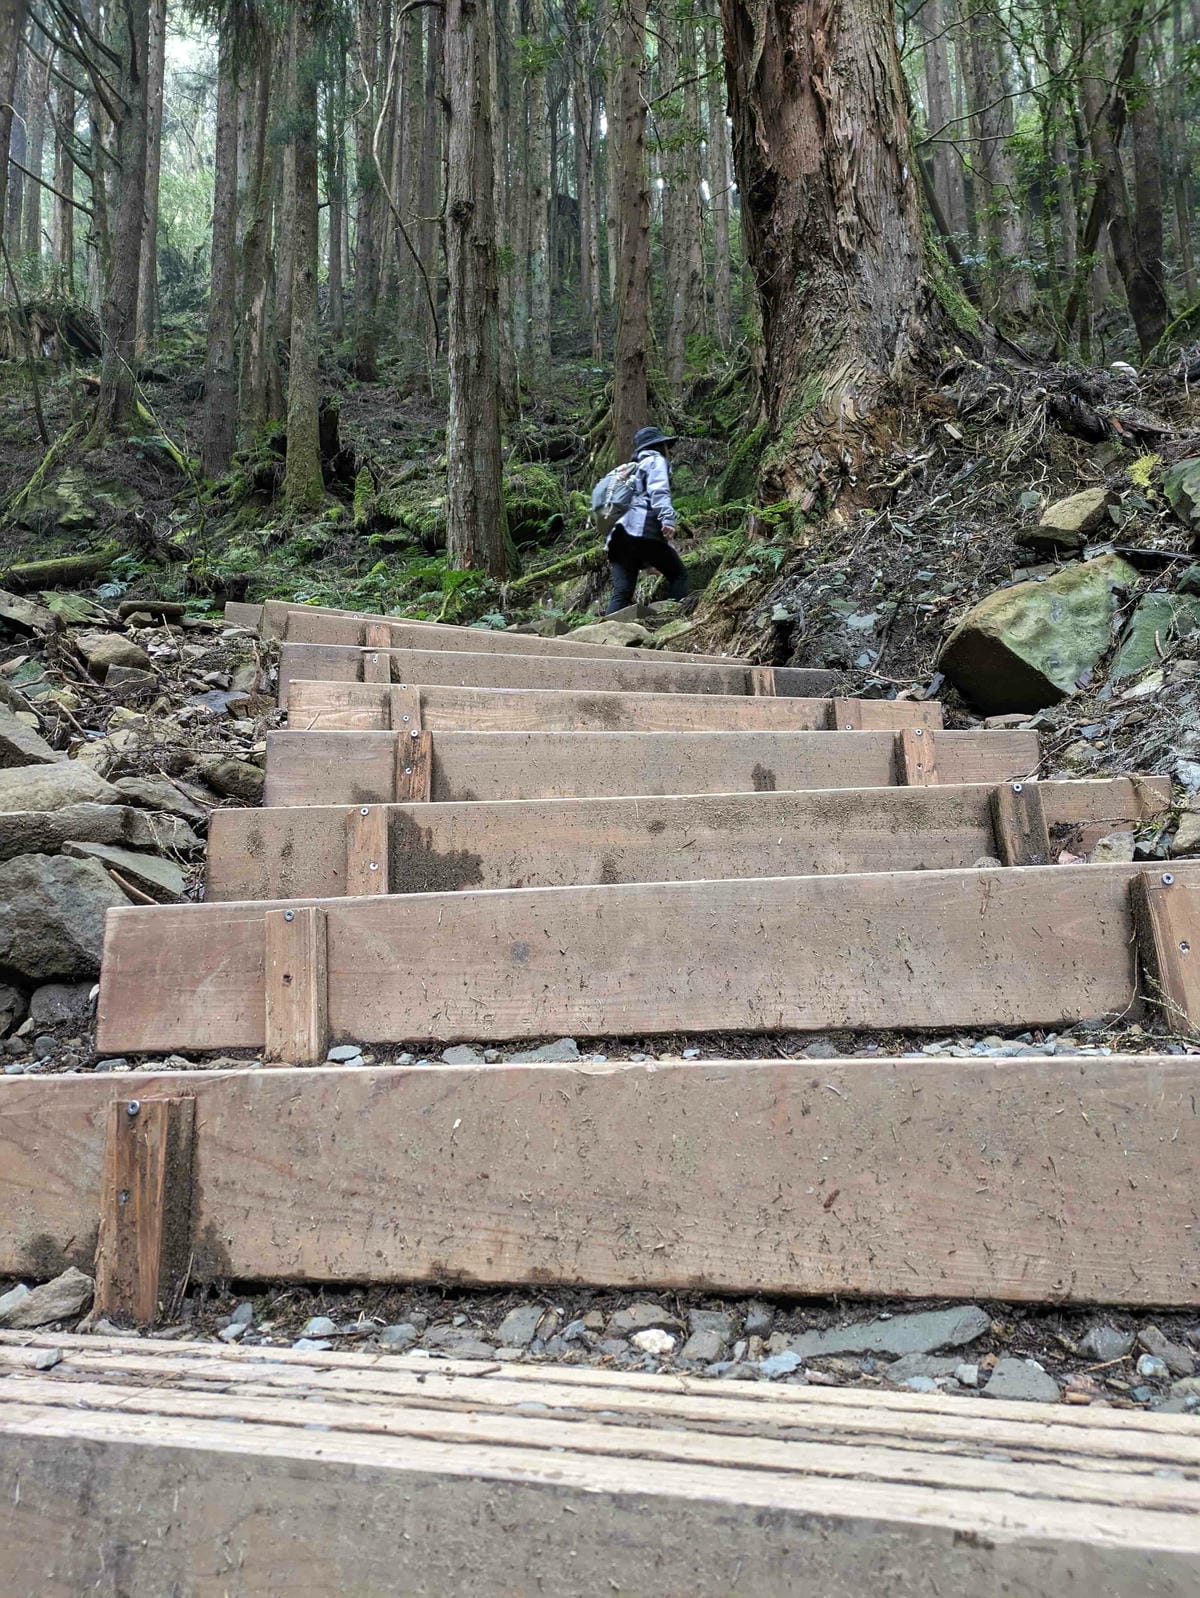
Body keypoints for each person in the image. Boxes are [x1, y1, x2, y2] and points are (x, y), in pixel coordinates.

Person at [605, 425, 689, 615]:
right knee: (678, 575)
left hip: (617, 538)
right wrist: (667, 519)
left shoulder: (628, 471)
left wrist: (650, 561)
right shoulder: (655, 460)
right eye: (666, 446)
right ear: (658, 446)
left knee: (622, 592)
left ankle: (603, 631)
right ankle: (674, 620)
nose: (669, 450)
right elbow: (659, 490)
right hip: (642, 530)